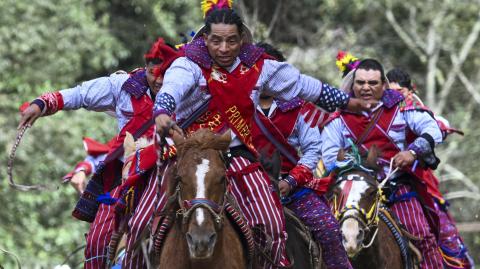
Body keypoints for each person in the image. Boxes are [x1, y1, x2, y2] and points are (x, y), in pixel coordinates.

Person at [153, 3, 370, 267]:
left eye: (232, 41)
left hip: (237, 156)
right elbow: (172, 88)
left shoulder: (258, 67)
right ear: (205, 39)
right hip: (189, 155)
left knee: (271, 223)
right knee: (142, 220)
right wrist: (162, 110)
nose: (224, 48)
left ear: (241, 40)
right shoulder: (188, 65)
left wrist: (345, 102)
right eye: (217, 41)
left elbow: (302, 84)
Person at [18, 38, 180, 269]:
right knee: (96, 243)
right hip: (124, 180)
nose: (159, 80)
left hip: (172, 174)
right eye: (153, 72)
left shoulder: (189, 86)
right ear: (145, 69)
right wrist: (43, 103)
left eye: (165, 73)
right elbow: (81, 94)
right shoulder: (124, 86)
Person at [321, 59, 445, 269]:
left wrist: (413, 152)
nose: (366, 87)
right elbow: (331, 156)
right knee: (323, 238)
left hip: (395, 186)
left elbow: (433, 129)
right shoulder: (338, 116)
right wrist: (358, 164)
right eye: (360, 82)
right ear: (353, 85)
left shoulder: (402, 108)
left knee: (422, 237)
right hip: (353, 189)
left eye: (373, 82)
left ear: (384, 85)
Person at [253, 42, 352, 269]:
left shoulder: (298, 107)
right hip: (247, 186)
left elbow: (312, 150)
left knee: (328, 229)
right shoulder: (239, 105)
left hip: (293, 187)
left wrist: (290, 181)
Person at [387, 67, 473, 269]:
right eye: (389, 92)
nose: (394, 97)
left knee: (443, 234)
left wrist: (437, 132)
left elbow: (437, 126)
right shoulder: (380, 110)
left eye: (398, 92)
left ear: (410, 91)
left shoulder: (412, 109)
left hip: (417, 180)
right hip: (380, 178)